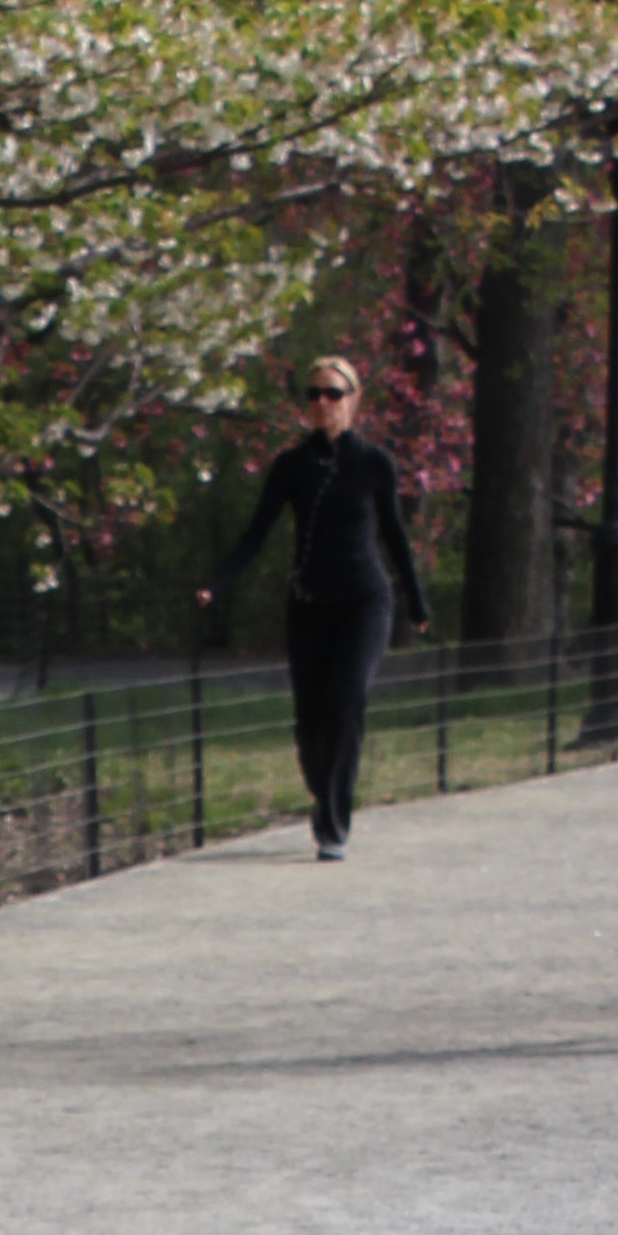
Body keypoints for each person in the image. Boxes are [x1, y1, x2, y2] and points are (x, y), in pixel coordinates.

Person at [198, 357, 430, 862]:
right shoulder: (291, 466)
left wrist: (416, 600)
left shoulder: (374, 464)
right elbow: (257, 532)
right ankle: (322, 790)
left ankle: (333, 825)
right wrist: (217, 583)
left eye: (333, 393)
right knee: (309, 725)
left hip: (365, 605)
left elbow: (393, 535)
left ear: (354, 399)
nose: (322, 403)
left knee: (346, 704)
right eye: (313, 394)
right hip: (308, 607)